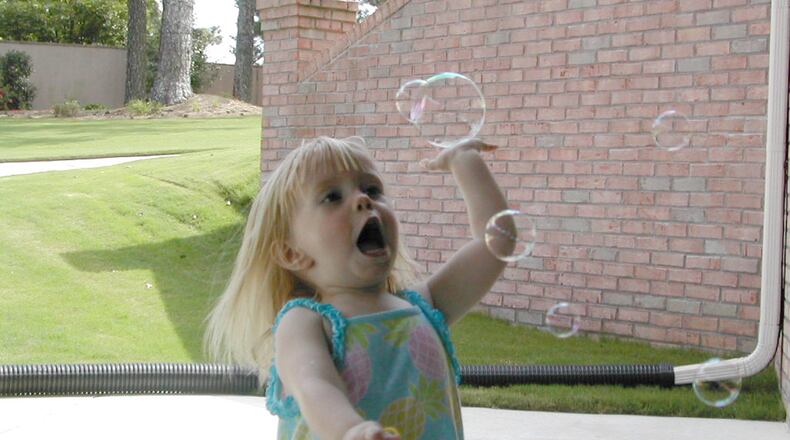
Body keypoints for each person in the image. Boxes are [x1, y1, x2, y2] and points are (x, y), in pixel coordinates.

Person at [205, 136, 511, 440]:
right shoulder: (304, 321)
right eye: (332, 196)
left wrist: (464, 161)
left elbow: (497, 243)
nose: (363, 200)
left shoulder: (424, 305)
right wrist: (351, 429)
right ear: (291, 253)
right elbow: (313, 384)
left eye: (373, 189)